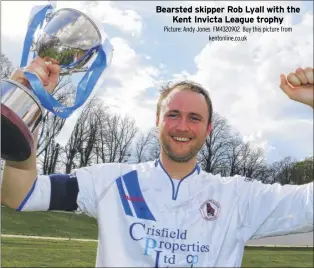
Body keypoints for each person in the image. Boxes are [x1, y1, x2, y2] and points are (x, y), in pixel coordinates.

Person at [1, 56, 313, 267]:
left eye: (194, 118)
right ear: (158, 121)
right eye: (173, 115)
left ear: (207, 129)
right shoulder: (110, 181)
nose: (182, 126)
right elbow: (20, 195)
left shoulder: (239, 197)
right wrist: (25, 105)